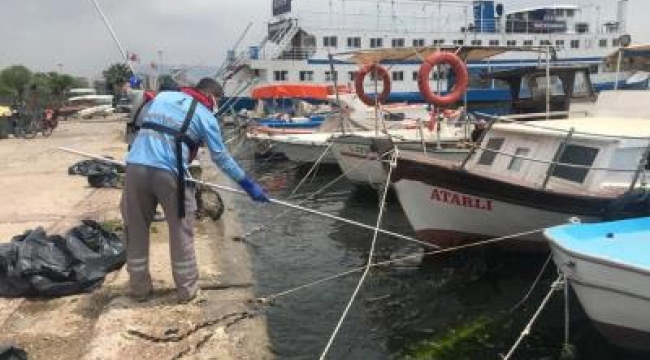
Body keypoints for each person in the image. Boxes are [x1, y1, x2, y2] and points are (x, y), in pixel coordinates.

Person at [122, 78, 269, 303]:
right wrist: (248, 185)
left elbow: (141, 125)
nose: (215, 106)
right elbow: (221, 158)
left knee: (136, 228)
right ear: (211, 96)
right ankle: (187, 291)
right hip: (170, 174)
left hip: (134, 168)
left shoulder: (163, 97)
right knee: (181, 231)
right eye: (217, 101)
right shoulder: (205, 116)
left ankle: (139, 289)